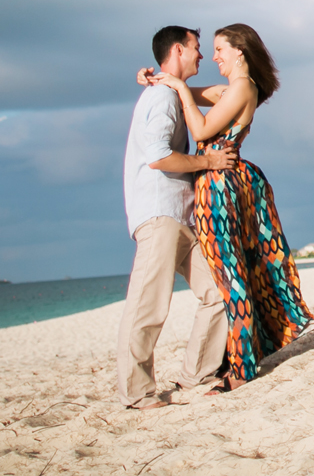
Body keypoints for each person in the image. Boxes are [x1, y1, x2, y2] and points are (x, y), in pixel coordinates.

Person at [143, 22, 313, 390]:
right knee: (231, 274)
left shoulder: (242, 86)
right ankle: (235, 359)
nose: (213, 56)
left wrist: (178, 90)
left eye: (220, 49)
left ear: (239, 50)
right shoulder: (230, 88)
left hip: (219, 187)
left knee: (230, 277)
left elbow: (202, 131)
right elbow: (190, 92)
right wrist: (161, 80)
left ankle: (241, 369)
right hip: (215, 184)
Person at [116, 25, 233, 410]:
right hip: (159, 212)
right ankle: (137, 392)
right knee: (148, 306)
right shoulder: (162, 97)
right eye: (198, 48)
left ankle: (195, 373)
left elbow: (221, 94)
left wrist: (172, 83)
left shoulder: (172, 92)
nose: (203, 56)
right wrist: (209, 161)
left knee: (217, 292)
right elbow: (159, 156)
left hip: (182, 214)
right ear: (179, 50)